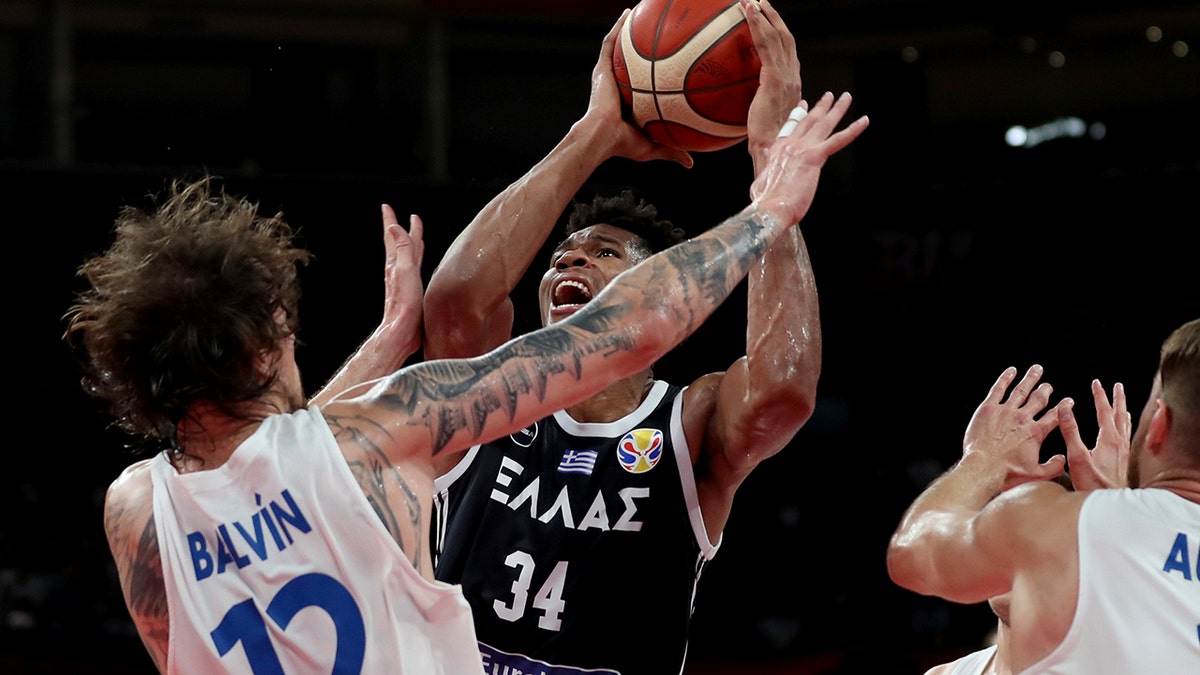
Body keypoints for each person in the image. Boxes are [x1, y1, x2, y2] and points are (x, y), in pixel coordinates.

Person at [64, 76, 867, 675]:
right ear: (259, 353)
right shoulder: (393, 430)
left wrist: (387, 338)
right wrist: (770, 207)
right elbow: (631, 327)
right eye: (284, 330)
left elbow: (272, 453)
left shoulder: (134, 508)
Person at [421, 2, 851, 673]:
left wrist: (775, 183)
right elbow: (454, 302)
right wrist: (592, 132)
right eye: (562, 256)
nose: (571, 261)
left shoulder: (688, 421)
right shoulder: (489, 399)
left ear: (660, 295)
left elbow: (782, 392)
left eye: (603, 253)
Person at [888, 318, 1200, 674]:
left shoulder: (1063, 529)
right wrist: (1116, 505)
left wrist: (984, 458)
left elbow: (913, 553)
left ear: (1158, 423)